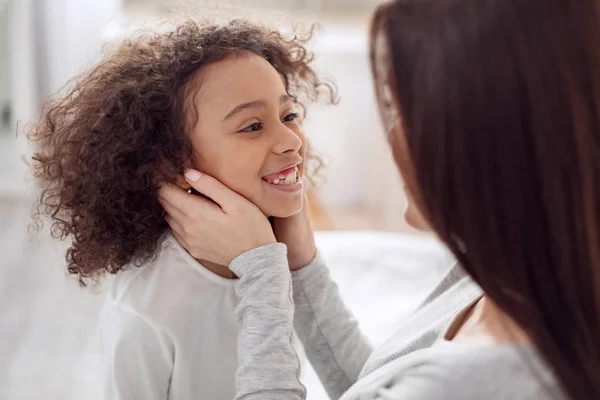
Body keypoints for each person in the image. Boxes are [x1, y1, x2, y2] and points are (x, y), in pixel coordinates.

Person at [158, 0, 600, 399]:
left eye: (399, 109)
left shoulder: (467, 384)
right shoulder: (512, 271)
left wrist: (261, 273)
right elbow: (372, 387)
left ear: (477, 135)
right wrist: (298, 262)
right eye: (252, 126)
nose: (291, 140)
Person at [27, 20, 335, 399]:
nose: (292, 140)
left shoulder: (279, 259)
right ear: (174, 163)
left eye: (288, 116)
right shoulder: (146, 313)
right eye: (252, 126)